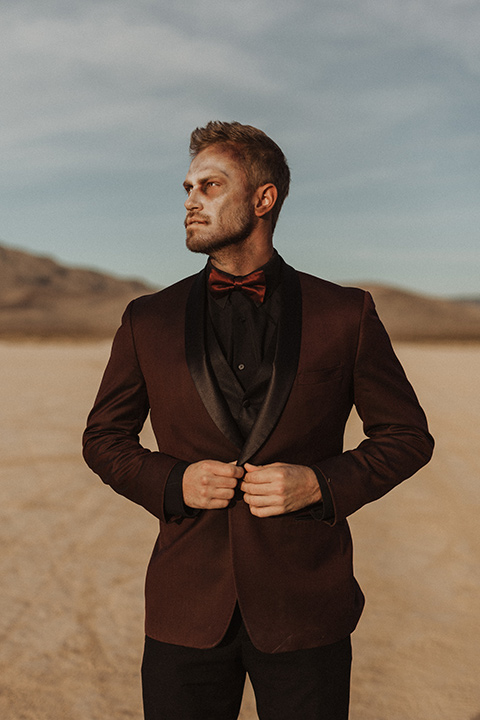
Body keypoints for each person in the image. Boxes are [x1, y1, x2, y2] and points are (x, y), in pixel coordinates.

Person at [83, 121, 434, 720]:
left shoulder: (344, 314)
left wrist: (320, 484)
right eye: (187, 188)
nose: (191, 201)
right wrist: (173, 482)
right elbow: (104, 439)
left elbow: (406, 436)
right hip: (185, 606)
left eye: (210, 186)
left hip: (306, 608)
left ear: (263, 199)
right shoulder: (149, 318)